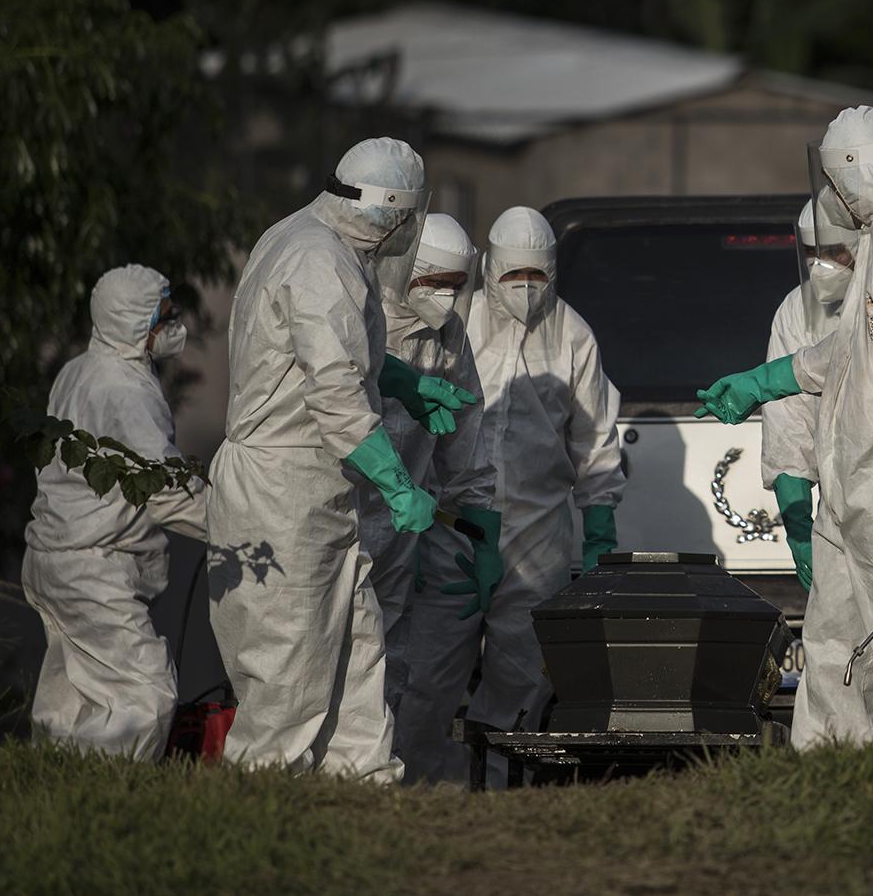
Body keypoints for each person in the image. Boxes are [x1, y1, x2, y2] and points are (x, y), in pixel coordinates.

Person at [697, 106, 873, 745]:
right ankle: (829, 789)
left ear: (852, 172)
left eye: (833, 178)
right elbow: (855, 351)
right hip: (854, 489)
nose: (831, 195)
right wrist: (764, 381)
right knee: (833, 656)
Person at [207, 137, 481, 780]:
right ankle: (265, 798)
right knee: (289, 662)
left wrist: (405, 384)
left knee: (357, 646)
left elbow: (335, 350)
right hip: (283, 491)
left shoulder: (309, 238)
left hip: (316, 489)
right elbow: (332, 392)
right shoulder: (318, 259)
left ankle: (359, 782)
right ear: (396, 211)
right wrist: (397, 483)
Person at [397, 205, 625, 785]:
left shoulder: (573, 335)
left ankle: (497, 786)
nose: (525, 289)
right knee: (426, 668)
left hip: (536, 537)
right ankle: (414, 778)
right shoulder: (456, 322)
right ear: (488, 269)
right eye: (511, 276)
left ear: (554, 271)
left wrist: (599, 534)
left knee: (522, 674)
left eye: (538, 276)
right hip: (451, 530)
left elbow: (595, 439)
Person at [21, 265, 207, 759]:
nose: (175, 324)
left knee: (73, 699)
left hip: (52, 558)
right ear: (133, 323)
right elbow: (164, 489)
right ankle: (114, 792)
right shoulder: (124, 391)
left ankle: (54, 783)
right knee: (143, 694)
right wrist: (241, 521)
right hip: (91, 568)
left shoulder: (78, 370)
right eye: (164, 316)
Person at [349, 212, 498, 717]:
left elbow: (466, 439)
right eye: (437, 284)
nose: (450, 299)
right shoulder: (361, 317)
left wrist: (482, 534)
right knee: (326, 655)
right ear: (404, 273)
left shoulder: (449, 335)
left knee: (388, 662)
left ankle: (374, 782)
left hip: (403, 525)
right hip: (339, 516)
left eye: (460, 287)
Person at [760, 200, 860, 591]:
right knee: (833, 645)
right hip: (837, 519)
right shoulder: (797, 310)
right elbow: (788, 424)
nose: (822, 265)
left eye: (833, 251)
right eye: (811, 253)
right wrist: (799, 527)